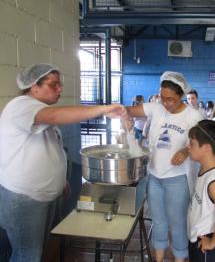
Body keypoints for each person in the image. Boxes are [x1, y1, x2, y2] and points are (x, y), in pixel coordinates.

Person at [0, 63, 127, 262]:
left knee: (36, 250)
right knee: (27, 254)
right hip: (24, 198)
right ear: (34, 87)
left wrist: (61, 181)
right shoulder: (21, 106)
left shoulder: (38, 110)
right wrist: (103, 109)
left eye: (60, 85)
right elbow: (57, 115)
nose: (60, 89)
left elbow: (49, 148)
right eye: (53, 85)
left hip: (42, 196)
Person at [125, 71, 203, 262]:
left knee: (177, 224)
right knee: (159, 222)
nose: (166, 103)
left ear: (181, 96)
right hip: (154, 176)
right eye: (162, 98)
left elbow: (199, 141)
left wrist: (185, 151)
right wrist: (119, 112)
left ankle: (179, 258)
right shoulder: (156, 108)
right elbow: (129, 110)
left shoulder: (193, 115)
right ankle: (158, 259)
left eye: (171, 99)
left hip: (177, 179)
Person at [187, 120, 215, 262]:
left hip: (205, 245)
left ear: (207, 147)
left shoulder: (214, 182)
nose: (188, 147)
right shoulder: (204, 169)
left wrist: (212, 243)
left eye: (192, 144)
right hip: (197, 239)